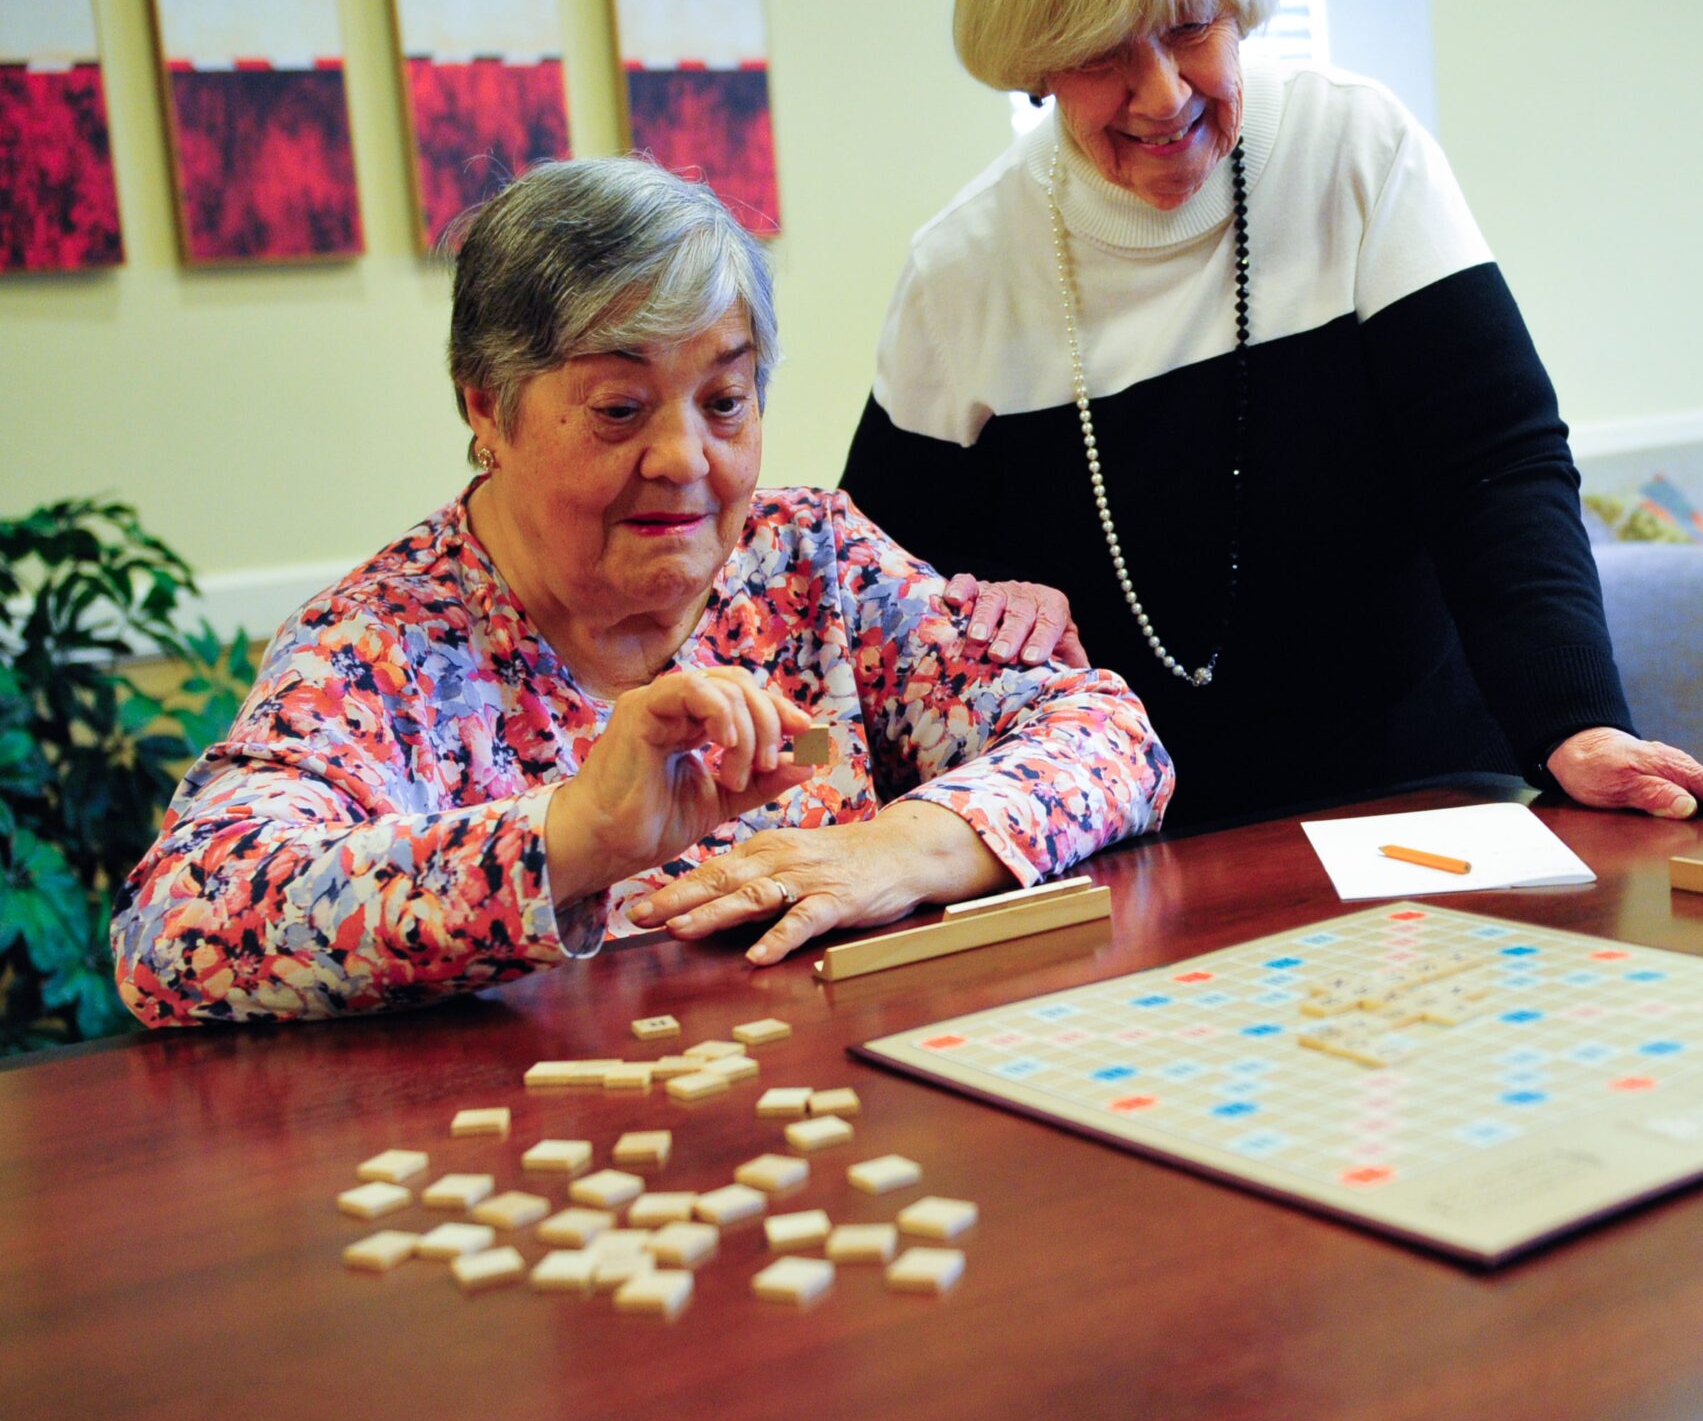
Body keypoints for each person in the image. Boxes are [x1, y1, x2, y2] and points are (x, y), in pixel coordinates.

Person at [842, 0, 1703, 829]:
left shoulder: (1353, 151)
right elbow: (875, 600)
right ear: (1034, 61)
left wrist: (1573, 722)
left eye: (1190, 30)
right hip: (1125, 833)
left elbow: (1496, 468)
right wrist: (989, 595)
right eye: (1101, 54)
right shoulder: (963, 267)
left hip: (1422, 792)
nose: (1162, 95)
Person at [114, 158, 1171, 1026]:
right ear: (488, 407)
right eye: (620, 409)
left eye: (725, 399)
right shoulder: (384, 650)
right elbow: (179, 930)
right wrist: (579, 835)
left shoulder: (809, 559)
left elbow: (1109, 737)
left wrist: (900, 848)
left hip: (820, 1130)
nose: (685, 458)